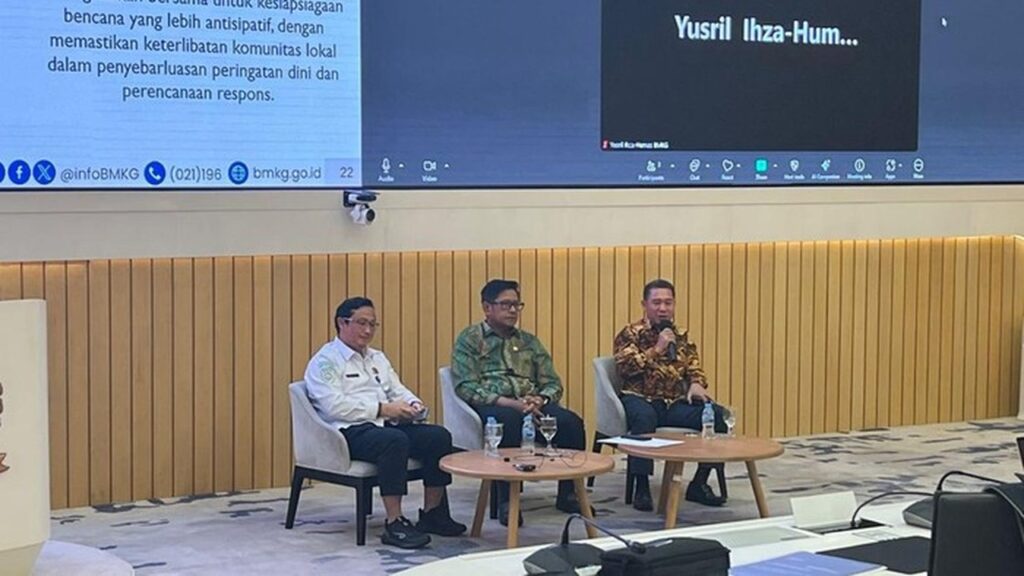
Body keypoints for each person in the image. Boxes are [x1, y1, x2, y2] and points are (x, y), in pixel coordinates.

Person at [304, 297, 466, 549]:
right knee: (393, 441)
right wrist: (382, 409)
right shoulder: (325, 361)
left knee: (438, 436)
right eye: (361, 323)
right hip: (347, 431)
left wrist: (413, 404)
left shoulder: (377, 357)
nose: (368, 330)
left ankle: (433, 513)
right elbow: (334, 406)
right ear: (342, 323)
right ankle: (395, 522)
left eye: (372, 324)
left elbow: (396, 389)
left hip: (383, 424)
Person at [452, 279, 587, 527]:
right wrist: (507, 402)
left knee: (571, 423)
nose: (513, 310)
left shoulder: (529, 342)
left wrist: (540, 399)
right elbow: (465, 386)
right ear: (487, 307)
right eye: (505, 305)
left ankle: (568, 493)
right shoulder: (470, 339)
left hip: (531, 404)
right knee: (509, 421)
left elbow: (552, 382)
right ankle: (506, 500)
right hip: (494, 405)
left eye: (516, 305)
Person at [613, 279, 727, 512]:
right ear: (644, 305)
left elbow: (693, 365)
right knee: (643, 419)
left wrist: (696, 383)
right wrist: (657, 349)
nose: (663, 308)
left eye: (668, 303)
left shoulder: (681, 335)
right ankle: (641, 486)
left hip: (674, 402)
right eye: (656, 303)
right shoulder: (630, 333)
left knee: (717, 416)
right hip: (640, 397)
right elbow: (624, 368)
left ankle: (699, 483)